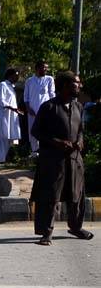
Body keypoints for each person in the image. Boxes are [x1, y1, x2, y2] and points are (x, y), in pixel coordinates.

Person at [30, 71, 92, 245]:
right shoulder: (49, 107)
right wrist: (56, 142)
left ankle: (76, 227)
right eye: (76, 83)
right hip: (53, 160)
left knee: (77, 195)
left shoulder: (78, 106)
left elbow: (80, 130)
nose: (79, 86)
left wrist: (79, 141)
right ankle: (46, 232)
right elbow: (36, 131)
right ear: (65, 86)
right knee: (51, 196)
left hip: (74, 159)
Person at [23, 60, 55, 155]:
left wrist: (51, 109)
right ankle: (34, 152)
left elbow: (52, 95)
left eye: (46, 67)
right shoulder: (29, 81)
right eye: (44, 67)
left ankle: (45, 151)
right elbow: (26, 97)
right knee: (33, 131)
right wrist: (28, 108)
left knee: (46, 131)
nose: (46, 69)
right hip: (32, 111)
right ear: (37, 68)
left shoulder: (49, 79)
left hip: (46, 111)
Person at [0, 68, 23, 163]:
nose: (17, 77)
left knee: (8, 138)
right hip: (3, 116)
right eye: (16, 75)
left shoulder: (11, 87)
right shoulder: (2, 85)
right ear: (10, 75)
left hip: (11, 116)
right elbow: (1, 100)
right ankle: (0, 160)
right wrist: (12, 108)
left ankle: (3, 160)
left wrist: (15, 109)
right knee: (1, 137)